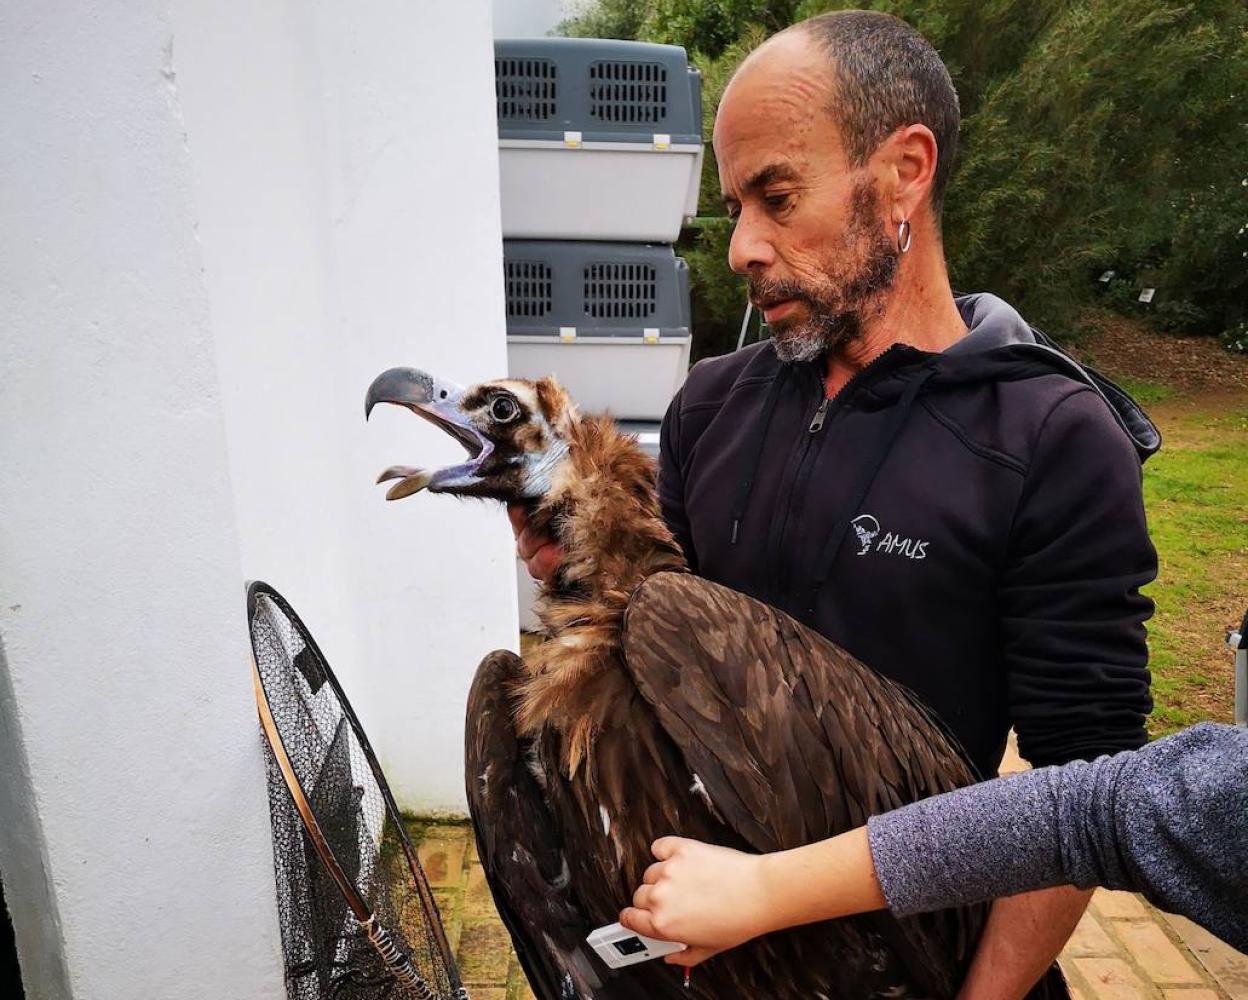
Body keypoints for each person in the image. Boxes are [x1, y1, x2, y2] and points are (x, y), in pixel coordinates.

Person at [512, 10, 1161, 997]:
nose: (741, 247)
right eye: (734, 206)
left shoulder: (1051, 438)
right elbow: (666, 677)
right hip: (721, 945)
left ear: (904, 171)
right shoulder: (708, 405)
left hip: (915, 950)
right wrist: (583, 584)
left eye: (776, 196)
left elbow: (1088, 787)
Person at [617, 723, 1248, 960]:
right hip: (731, 930)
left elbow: (1088, 763)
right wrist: (760, 890)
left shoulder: (1061, 442)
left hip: (933, 951)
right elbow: (1089, 815)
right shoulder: (704, 423)